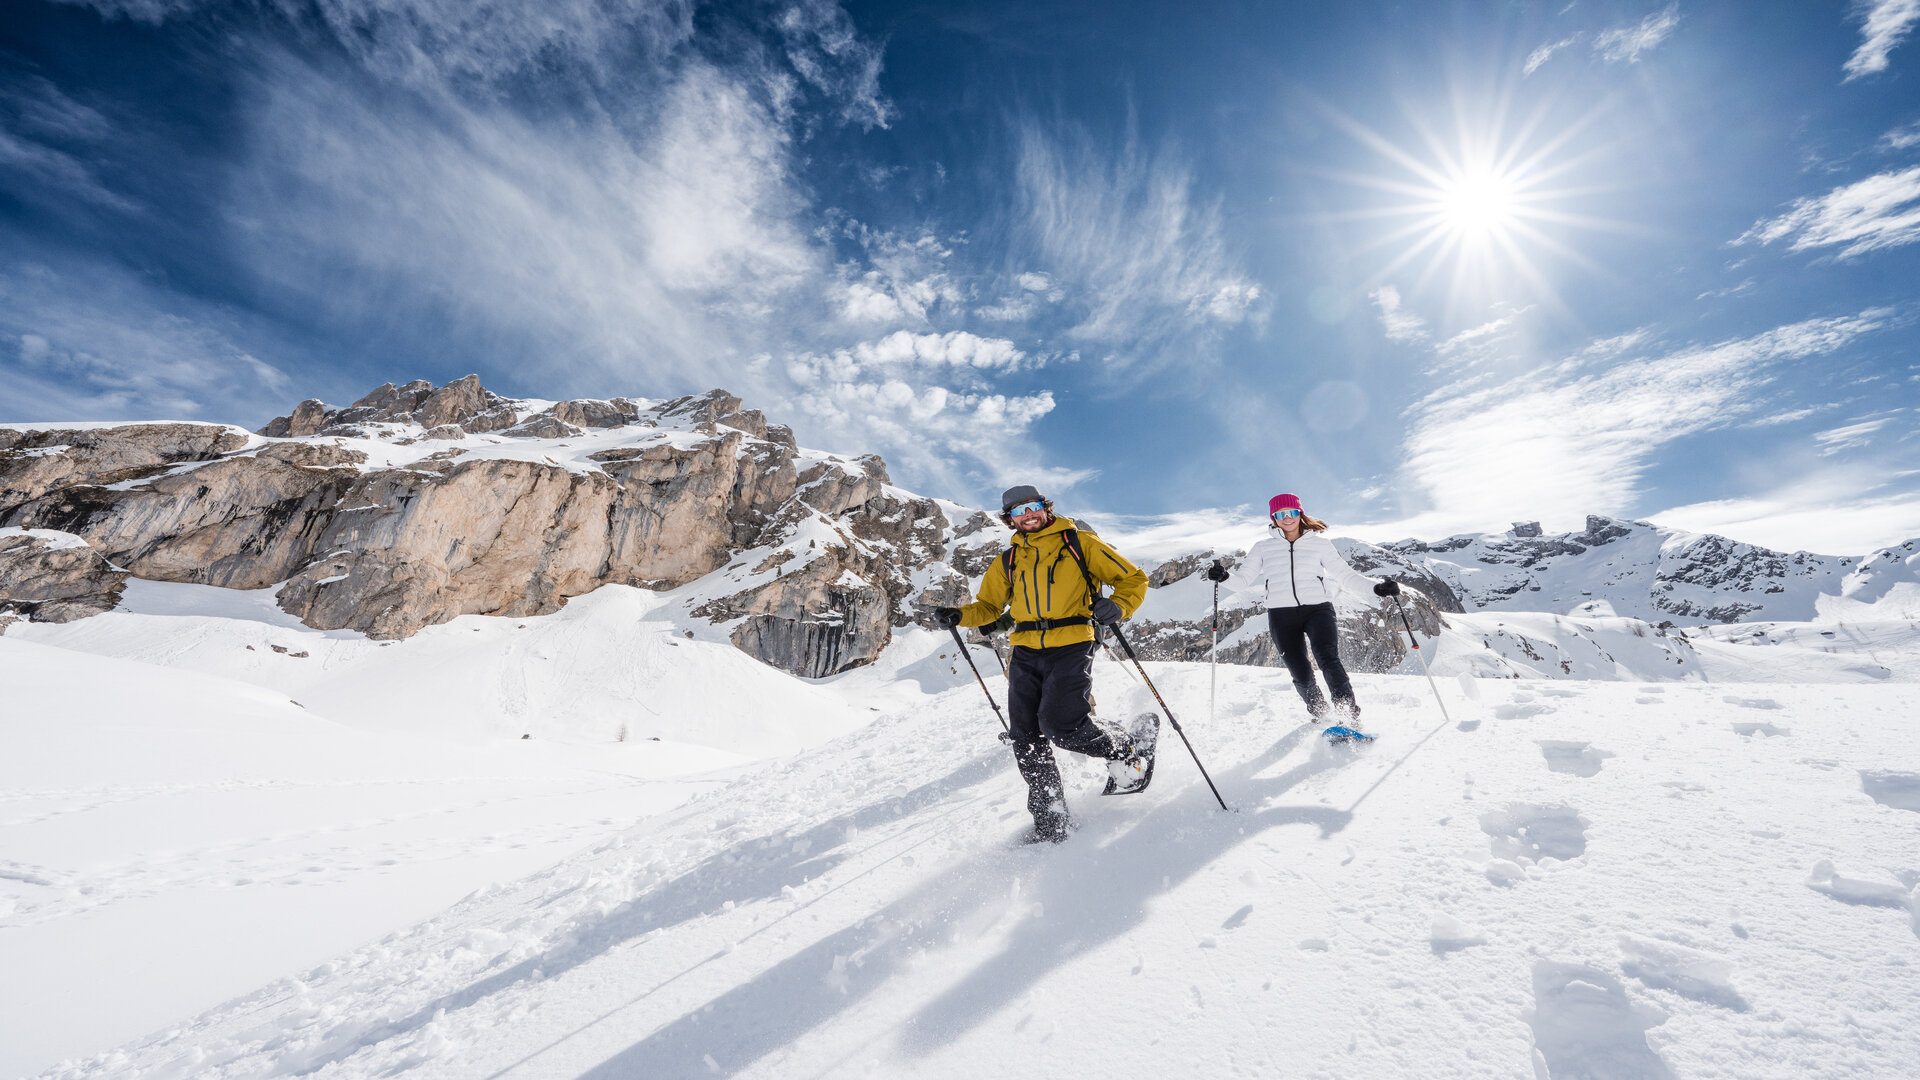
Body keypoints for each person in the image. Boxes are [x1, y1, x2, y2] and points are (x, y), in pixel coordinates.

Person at [932, 485, 1152, 843]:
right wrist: (959, 614)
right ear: (1010, 520)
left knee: (1060, 726)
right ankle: (1051, 820)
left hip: (1072, 643)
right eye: (1019, 512)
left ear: (1046, 508)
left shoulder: (1080, 544)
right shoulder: (1008, 559)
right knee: (1025, 736)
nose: (1028, 515)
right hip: (1024, 649)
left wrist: (1120, 606)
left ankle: (1125, 748)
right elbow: (989, 607)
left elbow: (1133, 579)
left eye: (1033, 507)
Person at [1203, 493, 1401, 725]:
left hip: (1318, 609)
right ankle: (1321, 713)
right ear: (1273, 518)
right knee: (1300, 672)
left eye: (1293, 512)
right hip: (1281, 614)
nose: (1288, 518)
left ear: (1300, 514)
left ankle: (1348, 715)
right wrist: (1224, 577)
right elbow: (1242, 581)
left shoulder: (1320, 545)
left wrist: (1376, 588)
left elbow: (1345, 576)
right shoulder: (1262, 548)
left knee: (1328, 658)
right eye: (1281, 514)